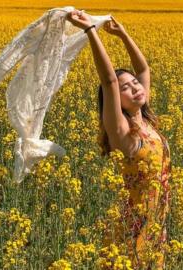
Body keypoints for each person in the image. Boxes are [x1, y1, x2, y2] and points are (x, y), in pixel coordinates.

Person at [67, 10, 172, 270]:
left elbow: (143, 68)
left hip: (156, 223)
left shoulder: (145, 121)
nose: (136, 87)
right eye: (126, 88)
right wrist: (90, 30)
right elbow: (109, 80)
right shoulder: (122, 132)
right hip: (133, 228)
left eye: (136, 83)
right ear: (116, 99)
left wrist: (123, 34)